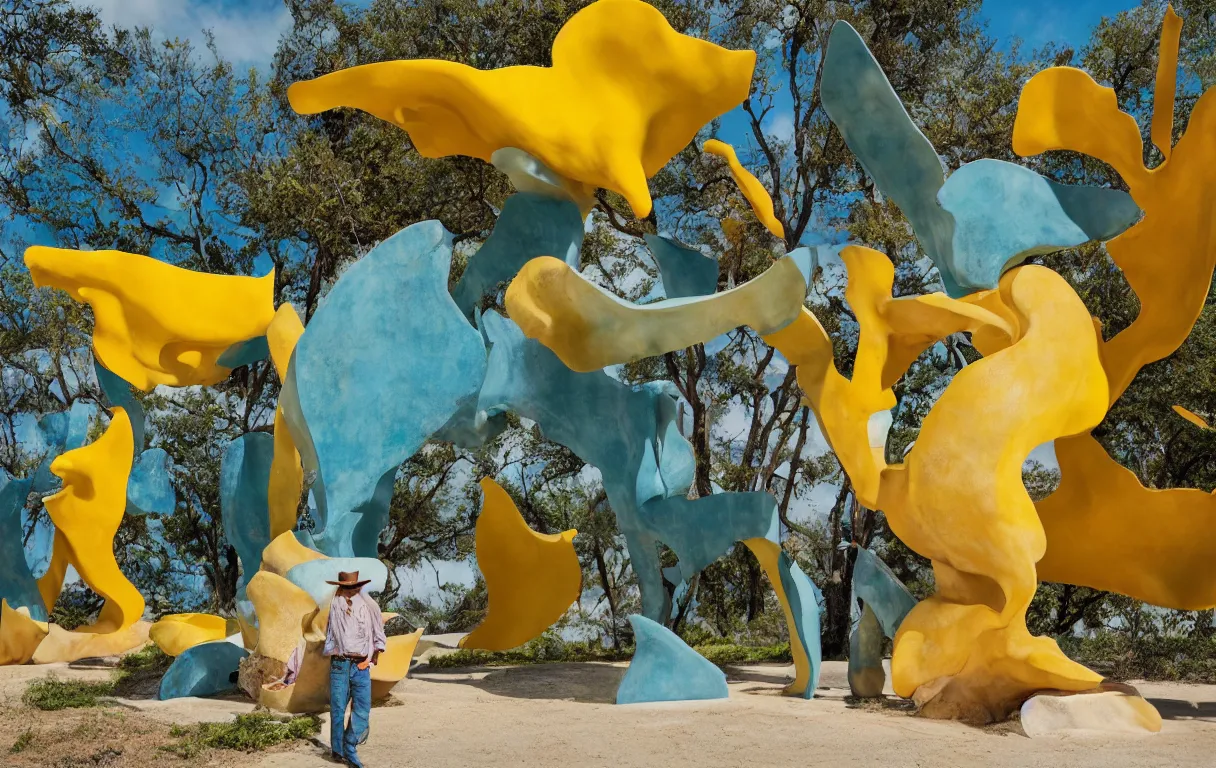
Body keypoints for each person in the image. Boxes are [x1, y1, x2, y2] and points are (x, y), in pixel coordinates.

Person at [323, 570, 386, 768]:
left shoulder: (369, 606)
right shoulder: (332, 605)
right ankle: (338, 750)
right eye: (346, 587)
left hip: (360, 665)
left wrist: (370, 660)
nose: (350, 591)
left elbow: (378, 634)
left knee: (362, 708)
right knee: (338, 708)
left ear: (359, 586)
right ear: (340, 587)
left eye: (353, 587)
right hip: (339, 664)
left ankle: (349, 744)